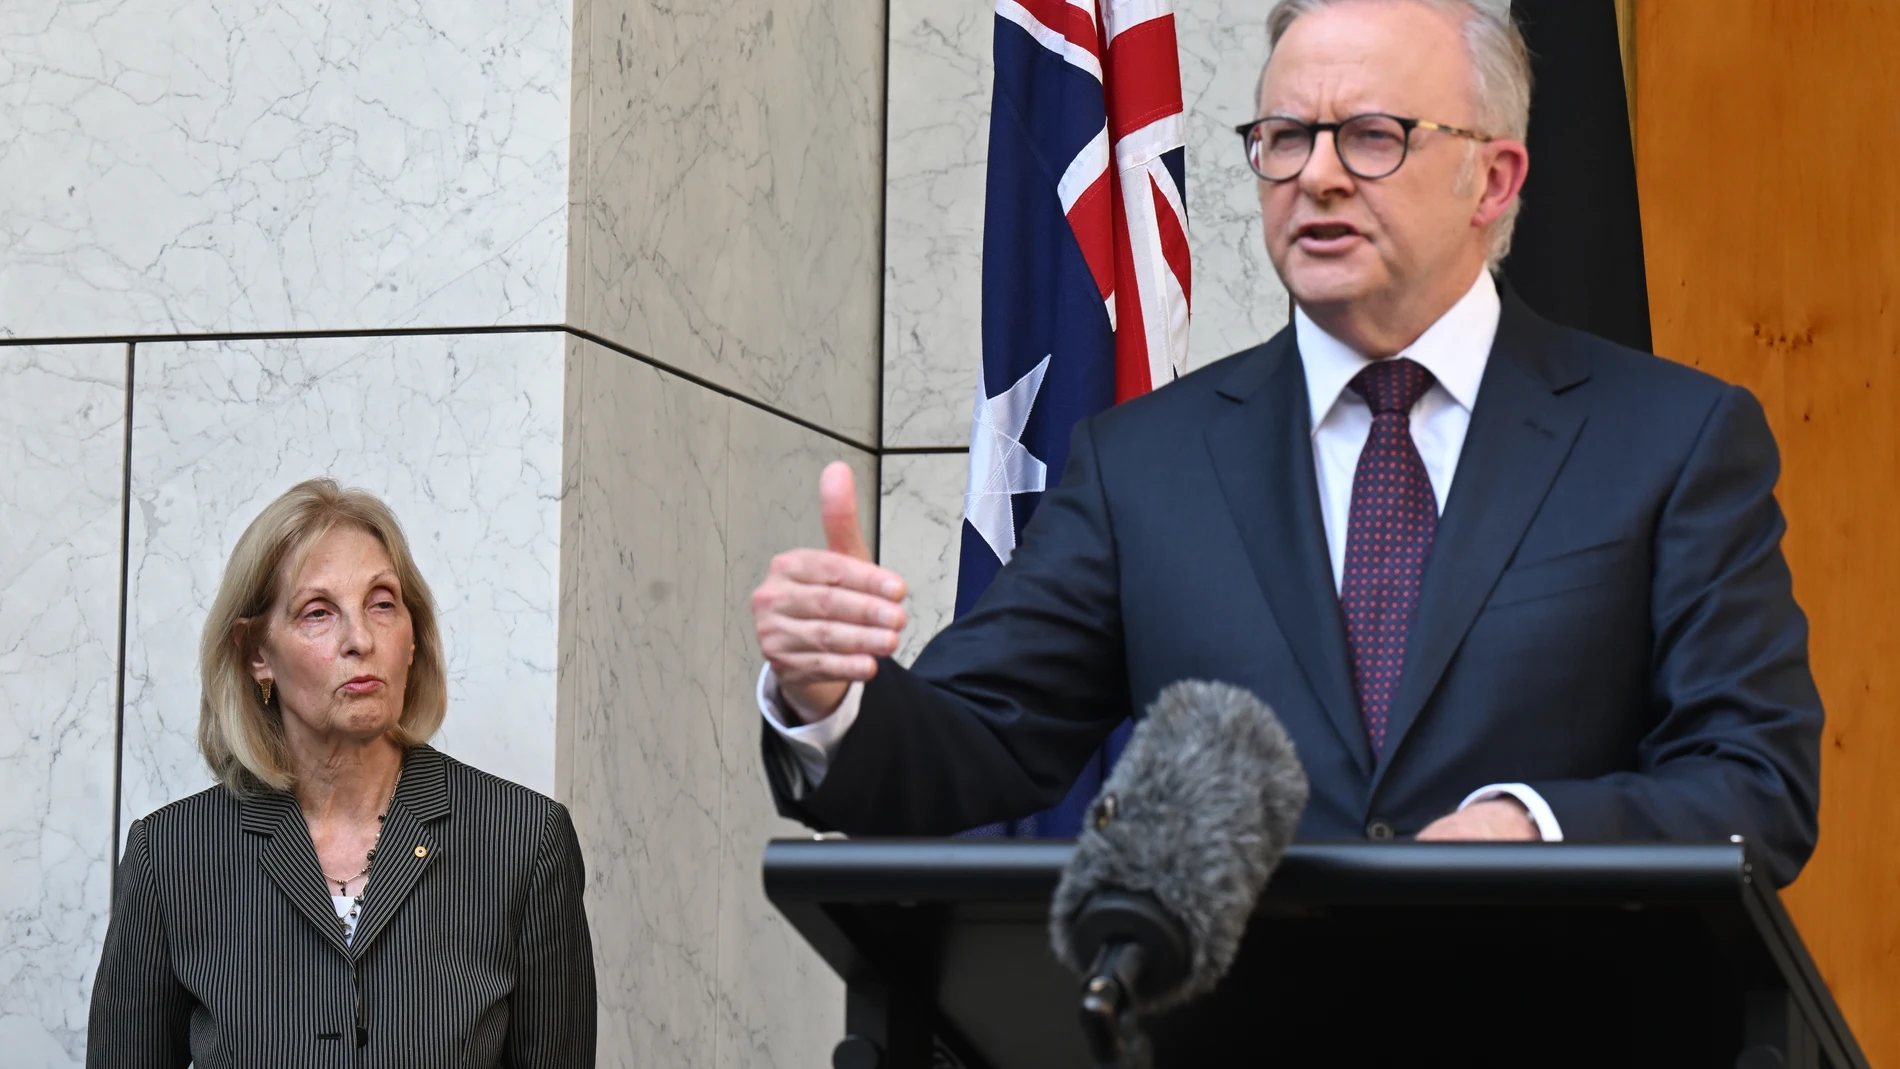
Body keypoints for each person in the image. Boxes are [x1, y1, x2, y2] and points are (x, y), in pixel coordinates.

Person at [748, 0, 1823, 886]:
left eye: (1373, 135)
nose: (1317, 175)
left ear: (1493, 179)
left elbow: (1756, 780)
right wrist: (827, 696)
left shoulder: (1669, 440)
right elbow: (975, 739)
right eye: (1286, 138)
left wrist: (1529, 828)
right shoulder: (1145, 466)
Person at [87, 479, 596, 1068]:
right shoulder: (172, 857)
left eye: (382, 603)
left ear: (413, 638)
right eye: (318, 613)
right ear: (256, 653)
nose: (360, 639)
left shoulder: (524, 841)